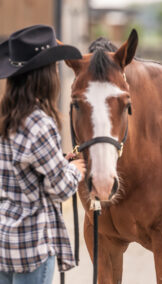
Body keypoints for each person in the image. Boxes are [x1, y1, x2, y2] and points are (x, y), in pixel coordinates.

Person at [0, 25, 86, 284]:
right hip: (32, 246)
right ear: (45, 76)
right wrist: (76, 171)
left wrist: (59, 161)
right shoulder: (40, 123)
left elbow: (22, 169)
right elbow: (60, 188)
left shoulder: (6, 118)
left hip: (5, 241)